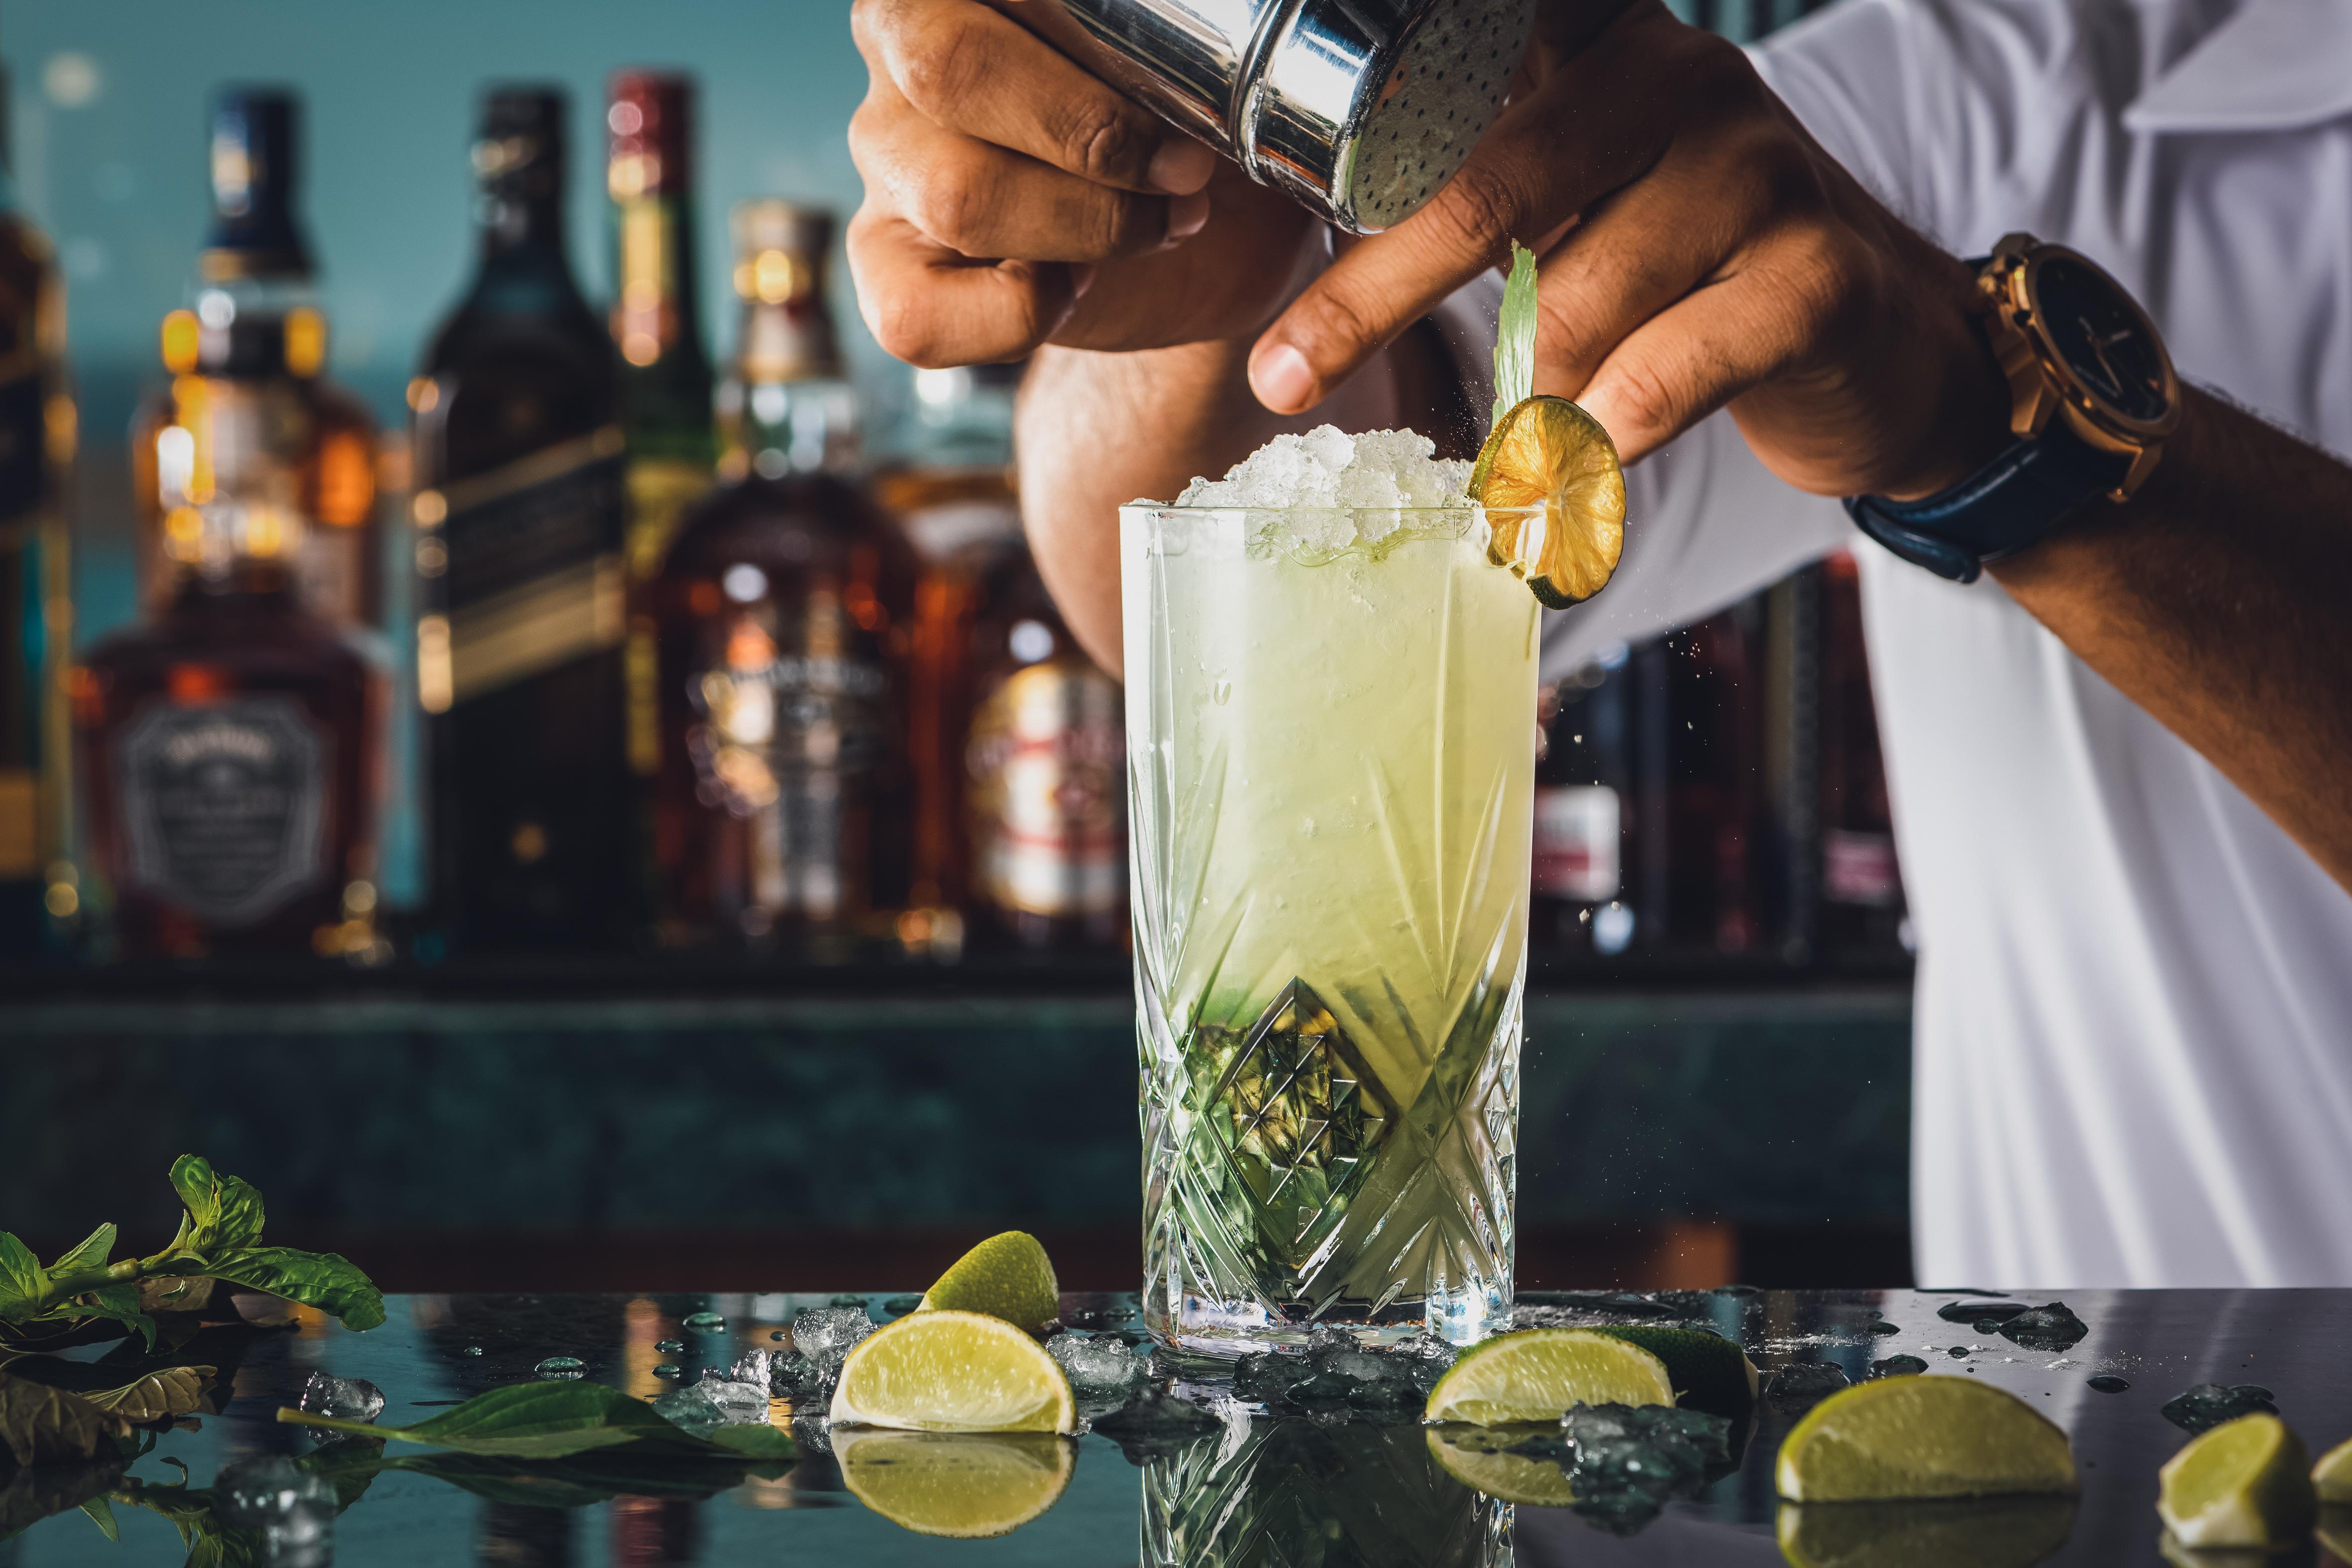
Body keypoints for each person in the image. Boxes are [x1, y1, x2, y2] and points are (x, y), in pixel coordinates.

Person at [844, 0, 2352, 1288]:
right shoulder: (1996, 90)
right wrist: (1205, 232)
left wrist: (1981, 419)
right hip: (2090, 1479)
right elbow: (1178, 553)